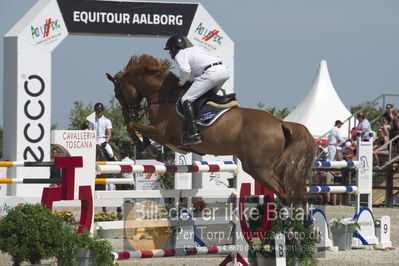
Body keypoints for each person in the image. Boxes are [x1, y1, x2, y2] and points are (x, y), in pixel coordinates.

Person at [164, 35, 230, 145]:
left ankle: (194, 133)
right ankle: (207, 118)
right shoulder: (194, 49)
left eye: (169, 50)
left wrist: (180, 83)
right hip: (223, 71)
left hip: (211, 73)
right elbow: (194, 73)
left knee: (186, 99)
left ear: (174, 48)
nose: (169, 53)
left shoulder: (180, 54)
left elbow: (185, 70)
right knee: (206, 96)